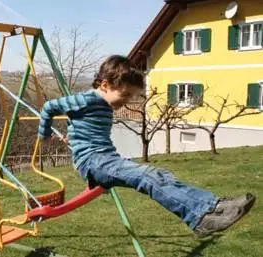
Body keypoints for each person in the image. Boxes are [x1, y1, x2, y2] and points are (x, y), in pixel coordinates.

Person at [37, 55, 256, 238]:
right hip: (94, 162)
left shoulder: (104, 104)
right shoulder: (85, 99)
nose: (127, 101)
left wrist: (73, 138)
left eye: (132, 96)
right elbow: (48, 107)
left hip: (105, 158)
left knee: (157, 174)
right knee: (147, 176)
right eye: (125, 95)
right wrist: (45, 135)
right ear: (105, 85)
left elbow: (86, 128)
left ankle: (214, 205)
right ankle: (200, 217)